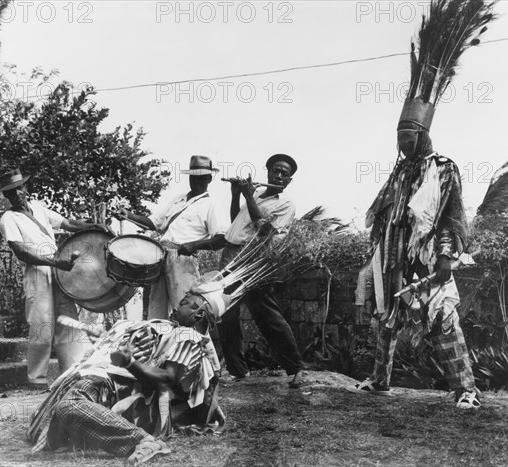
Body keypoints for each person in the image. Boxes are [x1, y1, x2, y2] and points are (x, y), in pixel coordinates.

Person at [346, 0, 495, 409]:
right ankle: (380, 379)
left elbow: (452, 214)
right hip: (392, 258)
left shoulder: (443, 169)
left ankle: (465, 389)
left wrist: (447, 254)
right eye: (399, 138)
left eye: (409, 137)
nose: (402, 143)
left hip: (427, 257)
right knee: (386, 319)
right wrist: (377, 250)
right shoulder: (399, 171)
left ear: (424, 134)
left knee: (444, 321)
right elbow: (386, 214)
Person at [27, 282, 227, 464]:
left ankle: (141, 440)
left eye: (184, 303)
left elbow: (167, 379)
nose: (175, 306)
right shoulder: (163, 327)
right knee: (42, 427)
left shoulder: (188, 335)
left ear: (198, 313)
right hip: (98, 376)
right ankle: (84, 426)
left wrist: (129, 362)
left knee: (68, 408)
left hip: (114, 387)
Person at [0, 169, 104, 387]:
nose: (18, 194)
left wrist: (94, 226)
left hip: (58, 269)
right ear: (7, 196)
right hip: (37, 272)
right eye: (12, 192)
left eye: (19, 188)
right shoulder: (8, 218)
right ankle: (36, 378)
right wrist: (55, 263)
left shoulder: (38, 208)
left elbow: (68, 224)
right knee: (41, 324)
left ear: (25, 188)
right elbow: (20, 252)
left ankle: (72, 372)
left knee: (68, 319)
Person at [217, 154, 304, 388]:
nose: (278, 175)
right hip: (230, 255)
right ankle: (237, 371)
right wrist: (237, 195)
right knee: (226, 313)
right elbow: (237, 220)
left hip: (252, 259)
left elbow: (264, 230)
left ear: (289, 180)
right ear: (267, 171)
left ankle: (295, 368)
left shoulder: (285, 204)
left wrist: (247, 195)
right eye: (275, 170)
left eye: (284, 174)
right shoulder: (254, 195)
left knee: (266, 313)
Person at [118, 155, 228, 319]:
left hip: (183, 260)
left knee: (186, 312)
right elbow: (153, 223)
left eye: (201, 176)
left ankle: (195, 343)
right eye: (193, 175)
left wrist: (194, 245)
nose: (196, 180)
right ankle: (159, 342)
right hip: (161, 257)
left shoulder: (212, 204)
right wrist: (128, 215)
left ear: (209, 178)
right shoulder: (178, 200)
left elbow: (221, 239)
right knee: (155, 313)